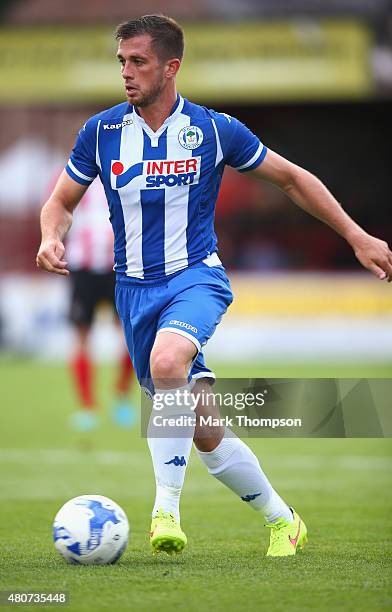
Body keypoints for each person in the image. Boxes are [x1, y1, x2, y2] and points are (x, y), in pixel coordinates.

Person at [36, 15, 392, 558]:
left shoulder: (212, 129)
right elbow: (60, 202)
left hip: (196, 277)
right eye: (122, 63)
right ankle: (283, 519)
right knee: (204, 428)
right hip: (133, 290)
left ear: (171, 67)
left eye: (139, 62)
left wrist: (356, 235)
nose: (127, 73)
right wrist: (49, 236)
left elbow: (293, 178)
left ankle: (165, 510)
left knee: (167, 363)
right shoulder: (101, 132)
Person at [53, 174, 136, 431]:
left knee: (131, 335)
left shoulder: (126, 171)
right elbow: (55, 209)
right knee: (81, 336)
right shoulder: (68, 177)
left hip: (119, 268)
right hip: (82, 269)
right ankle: (87, 407)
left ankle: (121, 396)